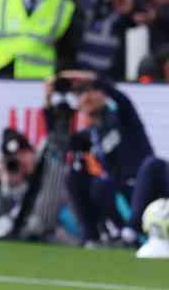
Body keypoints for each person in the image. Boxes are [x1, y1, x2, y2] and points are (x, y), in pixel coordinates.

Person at [61, 71, 155, 248]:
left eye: (92, 90)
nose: (87, 96)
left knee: (102, 186)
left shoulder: (123, 117)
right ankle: (92, 237)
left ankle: (130, 235)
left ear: (103, 94)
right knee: (74, 176)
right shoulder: (90, 133)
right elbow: (59, 142)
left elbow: (122, 99)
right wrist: (48, 97)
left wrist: (94, 79)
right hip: (116, 191)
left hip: (141, 188)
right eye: (81, 93)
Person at [77, 0, 134, 81]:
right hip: (86, 71)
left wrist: (125, 13)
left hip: (117, 76)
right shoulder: (95, 3)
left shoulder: (133, 9)